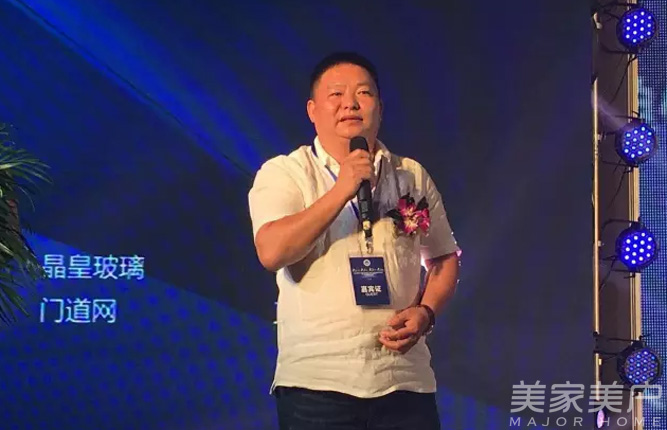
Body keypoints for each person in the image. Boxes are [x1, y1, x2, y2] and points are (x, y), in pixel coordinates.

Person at [248, 52, 460, 430]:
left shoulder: (410, 175)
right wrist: (341, 189)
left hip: (404, 381)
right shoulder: (285, 172)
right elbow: (272, 251)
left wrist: (426, 313)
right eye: (336, 94)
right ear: (312, 111)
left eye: (363, 93)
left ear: (380, 108)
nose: (350, 103)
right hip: (317, 385)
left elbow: (444, 257)